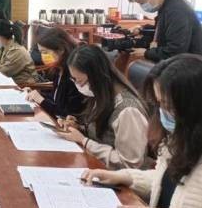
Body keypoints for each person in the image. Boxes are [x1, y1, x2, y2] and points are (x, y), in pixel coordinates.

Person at [82, 54, 202, 207]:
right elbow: (165, 182)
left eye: (168, 105)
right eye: (159, 103)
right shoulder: (177, 139)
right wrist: (123, 177)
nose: (162, 112)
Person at [56, 45, 149, 169]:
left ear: (97, 76)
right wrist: (79, 128)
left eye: (80, 81)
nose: (78, 86)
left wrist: (84, 141)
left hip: (118, 176)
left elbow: (131, 163)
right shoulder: (101, 96)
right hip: (97, 166)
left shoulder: (128, 111)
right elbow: (101, 134)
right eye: (74, 80)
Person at [127, 0, 202, 62]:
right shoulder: (167, 5)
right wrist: (141, 30)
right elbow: (163, 31)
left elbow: (175, 51)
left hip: (191, 64)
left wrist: (146, 53)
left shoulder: (176, 10)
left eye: (142, 3)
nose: (142, 6)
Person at [24, 28, 85, 118]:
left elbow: (68, 112)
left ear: (61, 50)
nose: (42, 56)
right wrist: (37, 94)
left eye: (45, 52)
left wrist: (41, 100)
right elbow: (55, 97)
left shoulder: (73, 74)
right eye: (41, 52)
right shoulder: (58, 69)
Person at [0, 19, 39, 85]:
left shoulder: (16, 51)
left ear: (0, 37)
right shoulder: (4, 45)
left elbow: (5, 72)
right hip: (12, 80)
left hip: (25, 84)